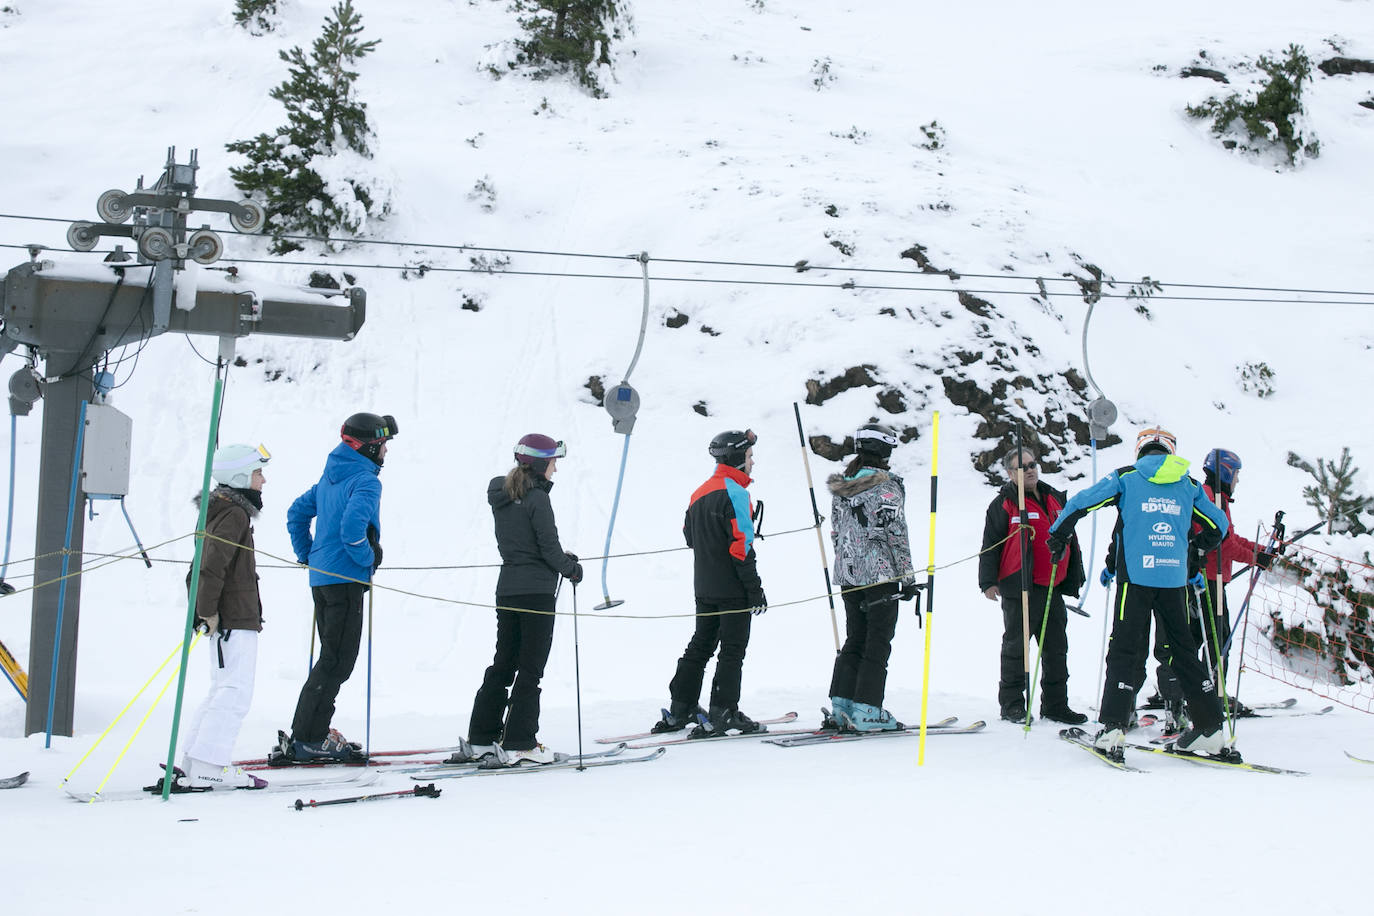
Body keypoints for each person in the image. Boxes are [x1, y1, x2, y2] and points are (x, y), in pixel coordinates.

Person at [1046, 426, 1231, 760]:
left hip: (1136, 580)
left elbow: (1080, 502)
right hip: (1173, 581)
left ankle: (1113, 728)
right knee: (1184, 652)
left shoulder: (1126, 478)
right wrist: (1193, 550)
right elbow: (1219, 525)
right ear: (1170, 452)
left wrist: (1058, 533)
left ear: (1140, 451)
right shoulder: (1188, 484)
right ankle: (1210, 728)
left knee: (1125, 651)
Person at [461, 434, 582, 766]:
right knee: (531, 668)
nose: (556, 469)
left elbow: (530, 545)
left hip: (508, 589)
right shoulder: (537, 498)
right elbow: (548, 548)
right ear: (542, 463)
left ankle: (482, 739)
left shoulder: (503, 494)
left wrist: (560, 559)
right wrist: (571, 568)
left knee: (504, 663)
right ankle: (519, 744)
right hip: (537, 592)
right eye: (554, 462)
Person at [282, 412, 397, 762]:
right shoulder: (365, 481)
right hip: (345, 580)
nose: (385, 453)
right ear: (368, 448)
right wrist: (366, 559)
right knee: (337, 662)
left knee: (331, 659)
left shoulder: (330, 477)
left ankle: (309, 732)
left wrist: (308, 554)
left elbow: (296, 513)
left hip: (322, 578)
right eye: (382, 446)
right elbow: (352, 530)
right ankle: (310, 737)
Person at [652, 429, 767, 736]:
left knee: (700, 646)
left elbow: (690, 537)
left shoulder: (699, 492)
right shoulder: (737, 494)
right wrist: (754, 589)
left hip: (704, 586)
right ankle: (724, 711)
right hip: (732, 588)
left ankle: (681, 707)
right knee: (732, 650)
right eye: (749, 456)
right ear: (737, 460)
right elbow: (741, 547)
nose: (752, 462)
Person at [171, 443, 272, 791]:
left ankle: (194, 761)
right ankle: (210, 765)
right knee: (234, 691)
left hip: (229, 615)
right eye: (258, 473)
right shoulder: (234, 514)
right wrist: (207, 610)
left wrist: (204, 609)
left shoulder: (224, 511)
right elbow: (213, 563)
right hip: (233, 617)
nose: (263, 480)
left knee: (222, 688)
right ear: (241, 476)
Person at [978, 445, 1087, 725]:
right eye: (1022, 466)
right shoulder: (1005, 503)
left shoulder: (1054, 498)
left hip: (1053, 586)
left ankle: (1055, 705)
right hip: (1021, 587)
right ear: (1009, 473)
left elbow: (1070, 539)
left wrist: (1075, 573)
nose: (1030, 470)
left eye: (1032, 464)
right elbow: (990, 543)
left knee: (1056, 648)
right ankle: (1013, 704)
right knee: (1017, 648)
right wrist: (988, 582)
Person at [827, 423, 919, 731]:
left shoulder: (843, 487)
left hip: (849, 573)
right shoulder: (887, 487)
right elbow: (896, 533)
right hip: (880, 574)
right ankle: (867, 708)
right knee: (878, 641)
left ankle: (842, 703)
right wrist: (906, 576)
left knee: (855, 637)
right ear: (884, 450)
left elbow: (836, 532)